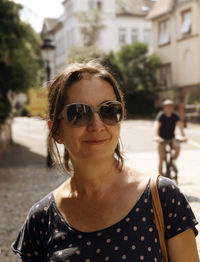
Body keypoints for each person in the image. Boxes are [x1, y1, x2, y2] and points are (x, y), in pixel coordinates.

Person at [11, 62, 199, 262]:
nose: (97, 125)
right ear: (56, 130)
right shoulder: (41, 219)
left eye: (109, 110)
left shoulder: (162, 197)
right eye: (79, 113)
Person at [154, 99, 187, 175]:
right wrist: (157, 136)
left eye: (170, 106)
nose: (169, 108)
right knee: (161, 159)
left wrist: (183, 136)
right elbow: (156, 126)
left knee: (177, 147)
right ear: (164, 108)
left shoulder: (175, 115)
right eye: (167, 106)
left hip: (172, 138)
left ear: (173, 108)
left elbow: (180, 126)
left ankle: (172, 161)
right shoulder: (161, 115)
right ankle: (160, 178)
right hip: (162, 139)